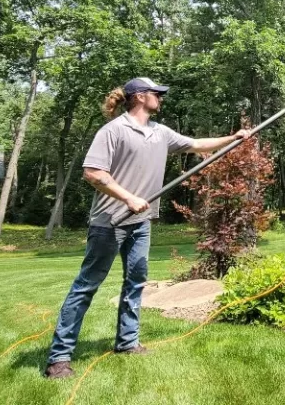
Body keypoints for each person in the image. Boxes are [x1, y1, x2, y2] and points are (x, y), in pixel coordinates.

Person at [44, 77, 251, 379]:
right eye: (157, 94)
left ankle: (127, 342)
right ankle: (59, 358)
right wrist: (128, 197)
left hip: (140, 224)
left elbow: (196, 145)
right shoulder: (114, 131)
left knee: (135, 283)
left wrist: (233, 138)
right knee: (87, 285)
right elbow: (92, 172)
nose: (161, 98)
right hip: (109, 222)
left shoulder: (160, 132)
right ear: (140, 97)